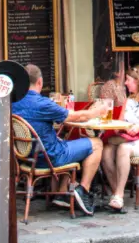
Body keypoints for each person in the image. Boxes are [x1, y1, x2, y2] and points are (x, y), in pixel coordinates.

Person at [12, 64, 108, 216]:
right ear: (40, 82)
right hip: (49, 157)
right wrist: (98, 111)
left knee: (63, 141)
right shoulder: (43, 103)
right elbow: (77, 117)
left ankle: (61, 193)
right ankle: (83, 190)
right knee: (97, 143)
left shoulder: (13, 102)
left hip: (25, 158)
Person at [100, 65, 139, 211]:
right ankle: (117, 190)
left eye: (128, 80)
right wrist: (116, 125)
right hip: (127, 138)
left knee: (123, 149)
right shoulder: (128, 100)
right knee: (106, 151)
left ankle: (118, 196)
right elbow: (120, 125)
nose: (125, 83)